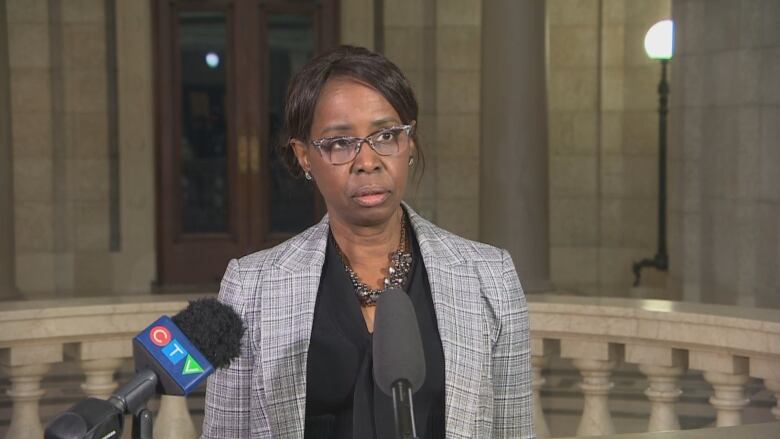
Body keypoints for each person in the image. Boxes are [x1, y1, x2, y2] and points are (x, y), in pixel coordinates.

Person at [201, 45, 534, 439]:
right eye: (340, 143)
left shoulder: (489, 276)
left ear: (409, 142)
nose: (368, 160)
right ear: (304, 156)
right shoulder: (251, 286)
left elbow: (513, 431)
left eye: (386, 135)